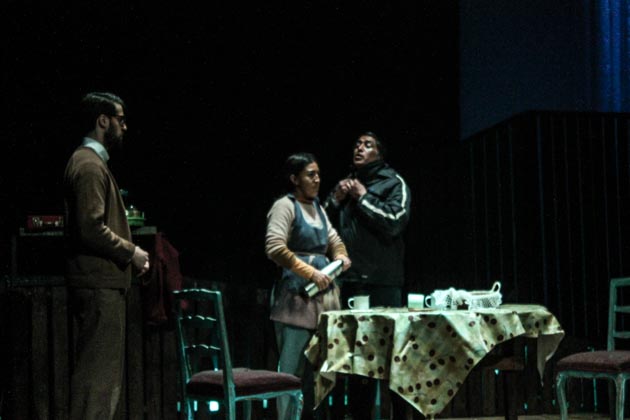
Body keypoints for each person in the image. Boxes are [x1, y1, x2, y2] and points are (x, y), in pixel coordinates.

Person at [63, 92, 150, 420]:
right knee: (97, 382)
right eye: (120, 120)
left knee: (101, 379)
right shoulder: (88, 165)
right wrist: (132, 252)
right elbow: (90, 227)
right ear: (103, 120)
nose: (124, 127)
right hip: (98, 285)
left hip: (100, 284)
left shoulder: (90, 163)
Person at [324, 131, 411, 419]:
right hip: (351, 283)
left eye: (367, 145)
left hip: (382, 283)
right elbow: (321, 229)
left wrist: (363, 197)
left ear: (380, 154)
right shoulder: (347, 185)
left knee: (392, 357)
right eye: (357, 144)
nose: (359, 148)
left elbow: (395, 222)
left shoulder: (393, 183)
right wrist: (335, 200)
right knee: (357, 362)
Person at [265, 152, 351, 419]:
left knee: (321, 371)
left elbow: (334, 240)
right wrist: (311, 272)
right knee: (290, 371)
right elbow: (275, 247)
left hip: (324, 302)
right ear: (295, 179)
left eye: (318, 175)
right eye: (310, 174)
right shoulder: (285, 206)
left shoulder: (318, 209)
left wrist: (341, 256)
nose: (317, 180)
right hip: (296, 299)